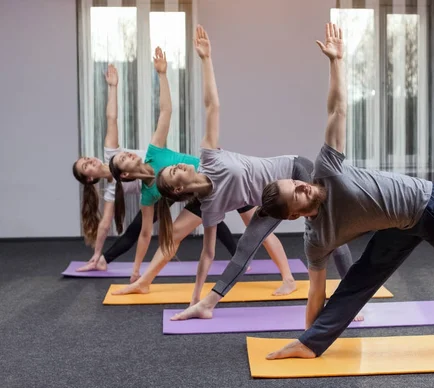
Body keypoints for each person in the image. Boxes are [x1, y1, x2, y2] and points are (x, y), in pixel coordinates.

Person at [258, 23, 434, 360]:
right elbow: (316, 291)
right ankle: (310, 345)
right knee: (357, 281)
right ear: (293, 214)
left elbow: (337, 110)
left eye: (296, 183)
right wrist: (307, 335)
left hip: (430, 205)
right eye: (297, 194)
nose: (303, 186)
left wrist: (336, 62)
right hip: (398, 226)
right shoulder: (317, 239)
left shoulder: (325, 171)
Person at [116, 25, 356, 319]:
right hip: (271, 200)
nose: (175, 166)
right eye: (172, 174)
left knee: (330, 232)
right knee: (245, 248)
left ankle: (348, 298)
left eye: (173, 167)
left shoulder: (208, 156)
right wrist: (195, 295)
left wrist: (206, 60)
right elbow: (207, 254)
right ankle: (206, 306)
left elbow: (211, 105)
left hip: (294, 171)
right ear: (179, 190)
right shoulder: (209, 207)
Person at [110, 25, 301, 298]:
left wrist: (163, 74)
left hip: (225, 180)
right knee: (175, 234)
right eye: (122, 160)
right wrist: (136, 269)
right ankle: (144, 281)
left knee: (256, 227)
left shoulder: (154, 151)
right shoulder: (150, 193)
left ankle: (288, 277)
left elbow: (167, 110)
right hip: (205, 194)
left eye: (125, 152)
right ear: (125, 176)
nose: (128, 153)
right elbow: (144, 234)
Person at [72, 65, 238, 277]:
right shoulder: (114, 189)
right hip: (157, 190)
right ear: (90, 179)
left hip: (168, 174)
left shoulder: (115, 153)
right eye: (86, 166)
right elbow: (106, 224)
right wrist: (97, 254)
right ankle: (107, 261)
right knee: (142, 227)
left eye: (86, 159)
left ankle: (237, 254)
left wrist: (113, 87)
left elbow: (112, 118)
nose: (90, 160)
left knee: (210, 207)